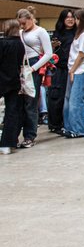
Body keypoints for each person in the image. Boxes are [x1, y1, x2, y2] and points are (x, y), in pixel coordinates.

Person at [17, 7, 52, 147]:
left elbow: (48, 53)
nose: (22, 26)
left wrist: (34, 68)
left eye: (24, 23)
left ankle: (30, 135)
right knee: (20, 101)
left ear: (31, 20)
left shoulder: (41, 31)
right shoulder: (20, 32)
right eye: (20, 23)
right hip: (22, 65)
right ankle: (20, 134)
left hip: (33, 64)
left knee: (31, 101)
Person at [62, 9, 84, 140]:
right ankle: (70, 127)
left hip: (81, 70)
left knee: (76, 101)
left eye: (76, 18)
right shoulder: (81, 34)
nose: (75, 21)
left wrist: (72, 70)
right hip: (75, 69)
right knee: (70, 100)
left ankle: (78, 129)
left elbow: (81, 54)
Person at [0, 19, 27, 155]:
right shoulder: (20, 45)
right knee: (12, 112)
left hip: (2, 80)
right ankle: (8, 143)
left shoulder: (2, 43)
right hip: (14, 81)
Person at [47, 9, 76, 133]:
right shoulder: (57, 34)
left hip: (73, 69)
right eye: (67, 17)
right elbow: (50, 53)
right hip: (59, 69)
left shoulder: (78, 33)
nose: (70, 19)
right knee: (56, 95)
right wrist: (53, 46)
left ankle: (67, 123)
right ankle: (55, 124)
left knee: (71, 98)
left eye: (72, 17)